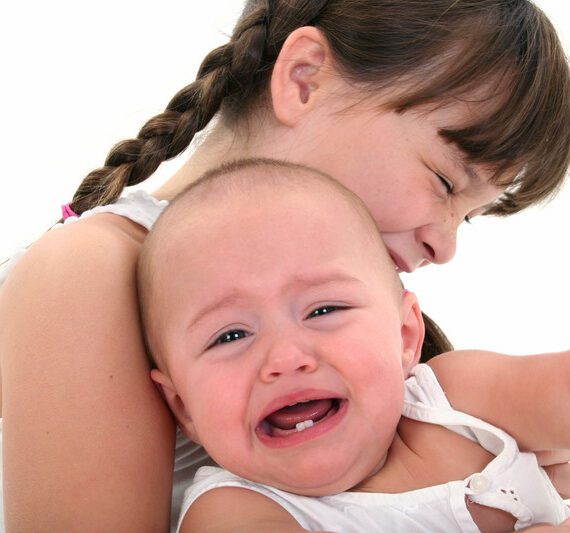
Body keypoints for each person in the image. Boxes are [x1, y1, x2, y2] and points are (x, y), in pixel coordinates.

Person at [1, 0, 570, 530]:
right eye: (445, 182)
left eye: (469, 217)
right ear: (304, 79)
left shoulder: (366, 337)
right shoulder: (86, 270)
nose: (445, 248)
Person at [140, 158, 570, 532]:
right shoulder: (231, 510)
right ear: (182, 406)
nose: (285, 359)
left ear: (404, 337)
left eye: (323, 310)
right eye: (230, 336)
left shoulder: (458, 401)